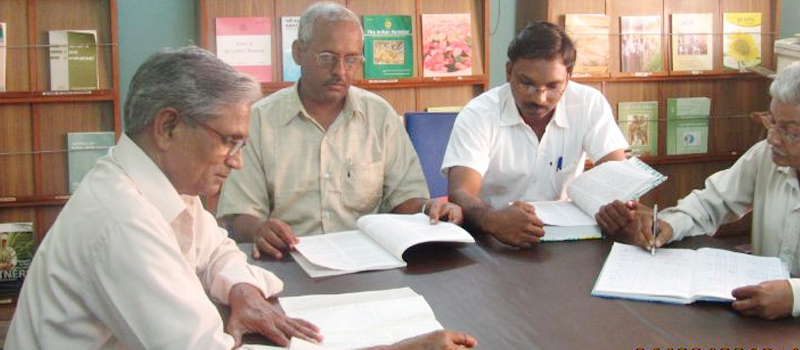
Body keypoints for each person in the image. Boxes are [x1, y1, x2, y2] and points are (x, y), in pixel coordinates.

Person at [6, 47, 477, 350]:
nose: (235, 160)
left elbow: (217, 248)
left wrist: (242, 289)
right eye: (228, 141)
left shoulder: (158, 181)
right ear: (168, 126)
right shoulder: (122, 222)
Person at [596, 57, 800, 319]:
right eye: (772, 122)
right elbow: (711, 203)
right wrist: (668, 225)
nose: (773, 139)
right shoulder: (767, 156)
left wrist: (797, 297)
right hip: (760, 320)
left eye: (790, 131)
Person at [216, 2, 461, 260]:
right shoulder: (259, 120)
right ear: (298, 52)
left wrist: (428, 207)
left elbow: (404, 199)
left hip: (369, 260)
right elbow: (240, 214)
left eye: (351, 59)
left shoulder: (379, 116)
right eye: (328, 58)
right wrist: (259, 230)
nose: (340, 72)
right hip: (289, 259)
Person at [441, 21, 628, 248]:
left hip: (565, 238)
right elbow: (460, 192)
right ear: (509, 72)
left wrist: (622, 205)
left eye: (552, 86)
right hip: (491, 237)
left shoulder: (588, 103)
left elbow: (618, 177)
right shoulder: (479, 113)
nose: (538, 98)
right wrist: (492, 220)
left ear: (568, 76)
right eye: (526, 83)